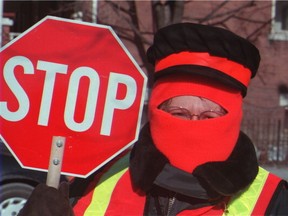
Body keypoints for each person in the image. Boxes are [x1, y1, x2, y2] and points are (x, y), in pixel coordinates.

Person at [19, 22, 288, 216]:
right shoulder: (99, 179)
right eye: (178, 114)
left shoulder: (273, 200)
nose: (192, 125)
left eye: (209, 116)